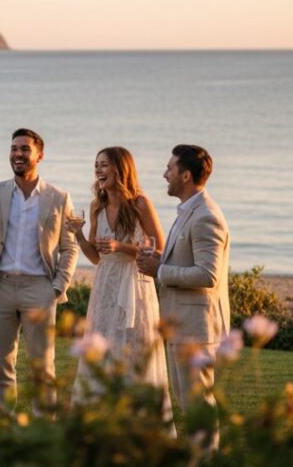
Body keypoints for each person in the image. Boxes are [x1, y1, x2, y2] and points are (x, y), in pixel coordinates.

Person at [0, 128, 79, 411]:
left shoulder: (59, 197)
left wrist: (58, 287)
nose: (17, 154)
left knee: (42, 366)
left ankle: (43, 430)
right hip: (0, 288)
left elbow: (70, 247)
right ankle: (6, 428)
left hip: (40, 289)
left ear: (39, 155)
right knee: (2, 365)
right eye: (13, 149)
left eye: (24, 149)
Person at [68, 147, 172, 421]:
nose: (98, 170)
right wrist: (78, 236)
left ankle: (139, 423)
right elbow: (95, 257)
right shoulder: (96, 207)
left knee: (134, 353)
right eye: (96, 165)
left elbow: (160, 249)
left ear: (120, 169)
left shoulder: (140, 204)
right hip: (105, 288)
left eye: (104, 165)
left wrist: (121, 246)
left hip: (135, 286)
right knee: (103, 354)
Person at [137, 144, 231, 442]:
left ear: (186, 175)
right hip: (183, 324)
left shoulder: (206, 216)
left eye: (170, 169)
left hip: (197, 329)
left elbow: (208, 274)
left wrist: (160, 271)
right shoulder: (189, 211)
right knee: (188, 403)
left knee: (198, 405)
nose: (165, 174)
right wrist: (158, 260)